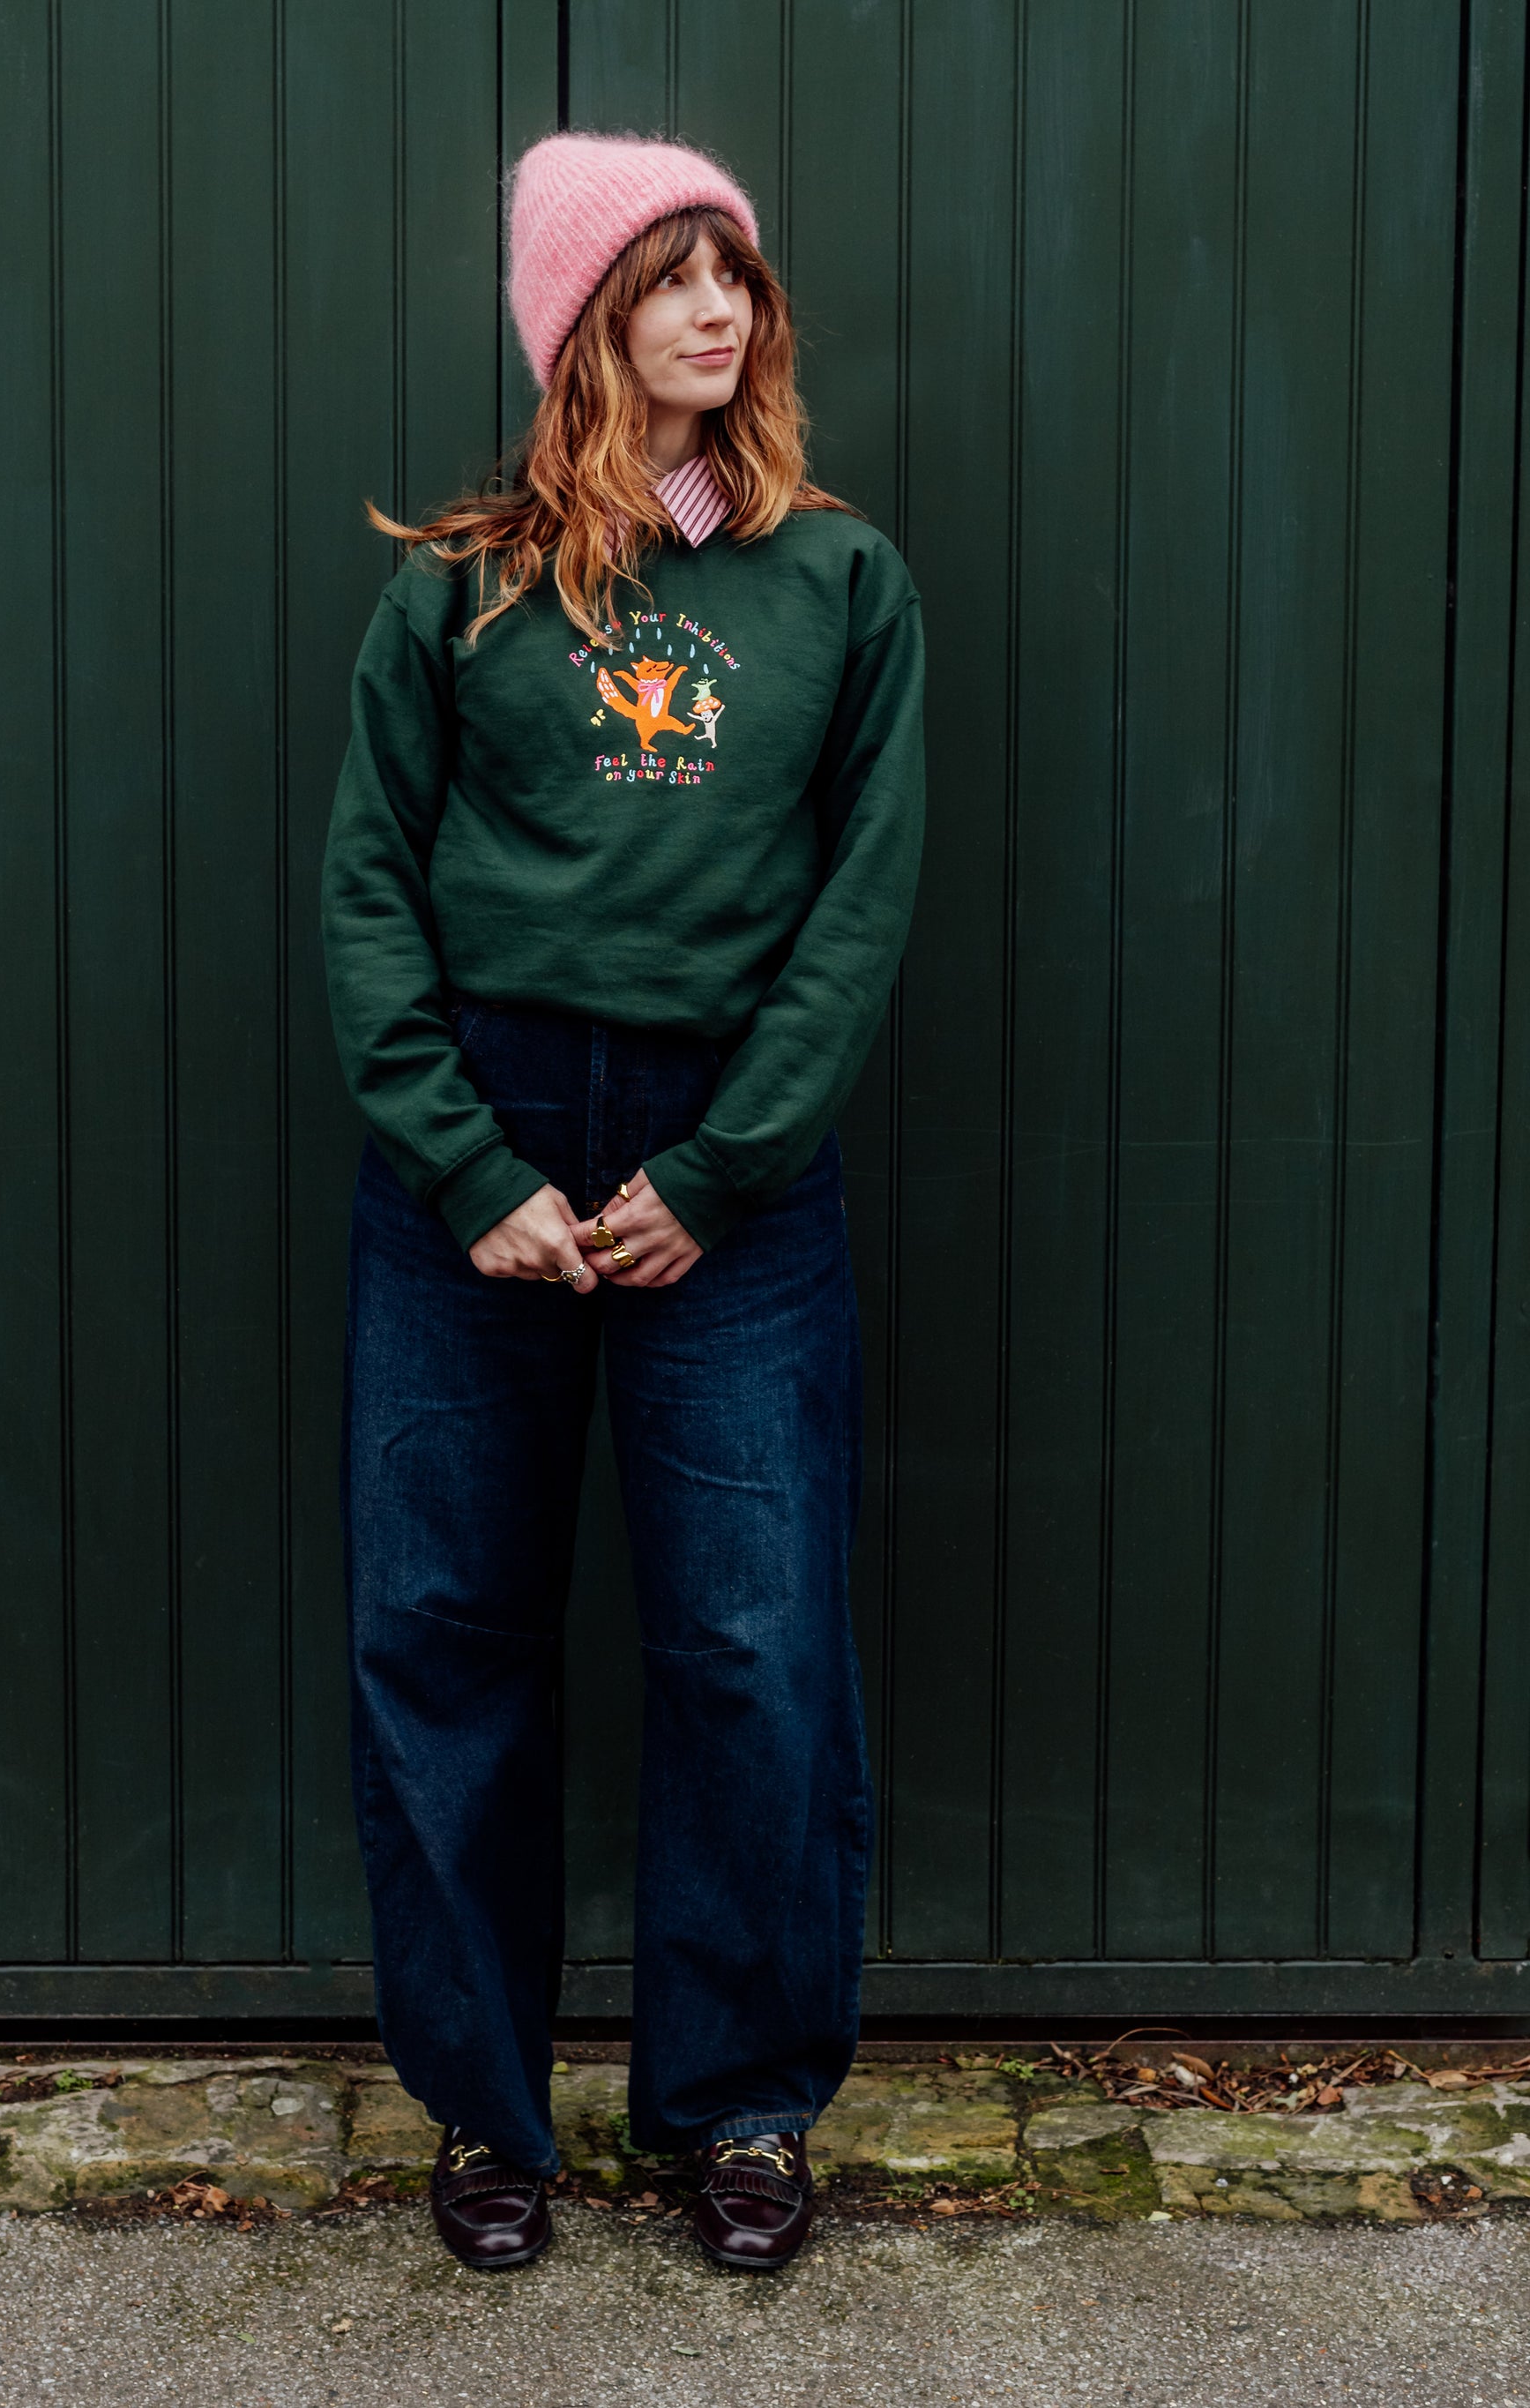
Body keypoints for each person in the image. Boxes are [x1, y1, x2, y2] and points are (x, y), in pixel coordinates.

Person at [320, 128, 925, 2274]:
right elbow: (368, 890)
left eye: (732, 276)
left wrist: (724, 1164)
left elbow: (860, 904)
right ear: (579, 322)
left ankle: (742, 2107)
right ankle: (488, 2115)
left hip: (727, 1162)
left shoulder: (839, 583)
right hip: (478, 1150)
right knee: (442, 1629)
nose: (715, 312)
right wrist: (467, 1162)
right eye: (666, 278)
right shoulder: (456, 588)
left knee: (754, 1640)